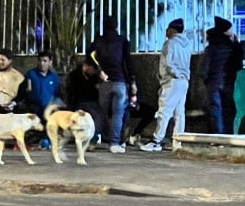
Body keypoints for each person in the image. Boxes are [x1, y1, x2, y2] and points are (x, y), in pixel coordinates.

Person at [140, 19, 192, 152]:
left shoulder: (170, 43)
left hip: (172, 81)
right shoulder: (187, 44)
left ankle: (156, 141)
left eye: (168, 29)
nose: (166, 31)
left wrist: (174, 73)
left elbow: (168, 63)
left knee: (164, 111)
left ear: (173, 30)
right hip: (184, 81)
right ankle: (178, 142)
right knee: (179, 113)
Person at [88, 15, 137, 154]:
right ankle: (114, 143)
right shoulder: (122, 41)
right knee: (117, 114)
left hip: (104, 83)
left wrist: (99, 72)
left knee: (101, 113)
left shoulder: (98, 41)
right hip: (120, 82)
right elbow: (129, 63)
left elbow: (89, 57)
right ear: (116, 26)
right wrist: (132, 81)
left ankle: (93, 140)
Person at [202, 16, 243, 134]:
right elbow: (238, 64)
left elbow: (205, 67)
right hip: (229, 82)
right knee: (228, 109)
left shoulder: (211, 48)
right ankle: (229, 134)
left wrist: (206, 80)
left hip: (213, 83)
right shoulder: (233, 47)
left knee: (216, 110)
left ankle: (218, 136)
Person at [66, 57, 103, 142]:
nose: (94, 72)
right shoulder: (74, 75)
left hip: (92, 101)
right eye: (93, 69)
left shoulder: (93, 76)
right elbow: (72, 92)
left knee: (97, 111)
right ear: (86, 66)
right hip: (79, 102)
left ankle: (94, 136)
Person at [26, 50, 62, 120]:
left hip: (49, 111)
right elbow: (28, 92)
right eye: (39, 60)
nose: (41, 63)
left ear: (50, 62)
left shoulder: (54, 76)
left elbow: (58, 94)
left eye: (45, 61)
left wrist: (55, 106)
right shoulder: (31, 74)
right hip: (35, 111)